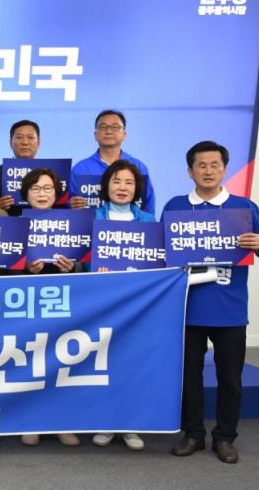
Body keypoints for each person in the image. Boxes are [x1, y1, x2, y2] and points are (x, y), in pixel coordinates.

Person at [165, 141, 259, 464]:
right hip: (187, 308)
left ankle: (225, 437)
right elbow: (161, 251)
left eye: (215, 165)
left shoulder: (244, 207)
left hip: (230, 309)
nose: (208, 171)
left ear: (224, 169)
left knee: (230, 379)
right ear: (190, 171)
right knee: (189, 377)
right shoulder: (175, 206)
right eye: (201, 165)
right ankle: (193, 434)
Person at [88, 160, 154, 452]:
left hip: (137, 305)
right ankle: (105, 421)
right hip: (101, 303)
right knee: (102, 363)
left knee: (131, 364)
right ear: (106, 186)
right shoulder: (91, 218)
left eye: (129, 182)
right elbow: (82, 260)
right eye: (116, 181)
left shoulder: (150, 221)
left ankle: (130, 424)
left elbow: (158, 263)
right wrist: (93, 269)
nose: (122, 187)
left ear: (137, 188)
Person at [16, 166, 80, 448]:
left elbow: (85, 264)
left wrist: (72, 268)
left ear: (57, 193)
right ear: (26, 194)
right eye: (35, 189)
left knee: (62, 362)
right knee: (29, 362)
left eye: (47, 189)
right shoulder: (15, 223)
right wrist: (25, 269)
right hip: (27, 302)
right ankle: (30, 421)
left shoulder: (73, 223)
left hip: (63, 302)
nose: (42, 194)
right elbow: (6, 268)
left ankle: (61, 423)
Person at [69, 110, 155, 212]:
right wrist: (70, 204)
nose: (109, 131)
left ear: (124, 134)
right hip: (88, 222)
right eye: (103, 127)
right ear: (95, 135)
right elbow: (66, 202)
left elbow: (148, 204)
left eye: (115, 127)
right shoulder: (80, 169)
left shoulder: (138, 167)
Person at [0, 120, 42, 216]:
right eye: (19, 137)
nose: (25, 142)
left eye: (30, 137)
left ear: (38, 143)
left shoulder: (51, 175)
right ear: (10, 143)